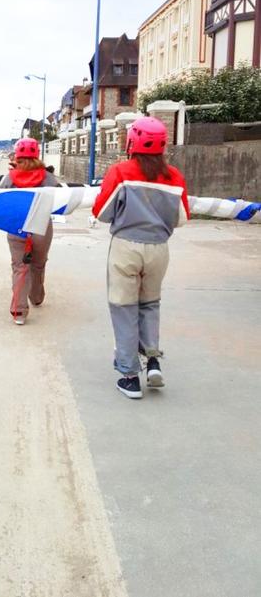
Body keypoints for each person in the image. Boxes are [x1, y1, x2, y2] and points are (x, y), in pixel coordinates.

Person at [92, 117, 190, 399]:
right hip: (159, 248)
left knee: (123, 308)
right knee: (150, 304)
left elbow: (101, 212)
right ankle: (153, 361)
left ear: (131, 142)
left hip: (126, 247)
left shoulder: (121, 172)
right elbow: (182, 218)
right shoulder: (174, 176)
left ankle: (130, 376)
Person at [1, 137, 59, 325]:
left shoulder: (9, 178)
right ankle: (36, 297)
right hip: (41, 227)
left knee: (20, 267)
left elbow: (1, 200)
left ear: (17, 155)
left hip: (16, 226)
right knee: (38, 264)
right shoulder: (48, 178)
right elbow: (58, 201)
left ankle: (19, 312)